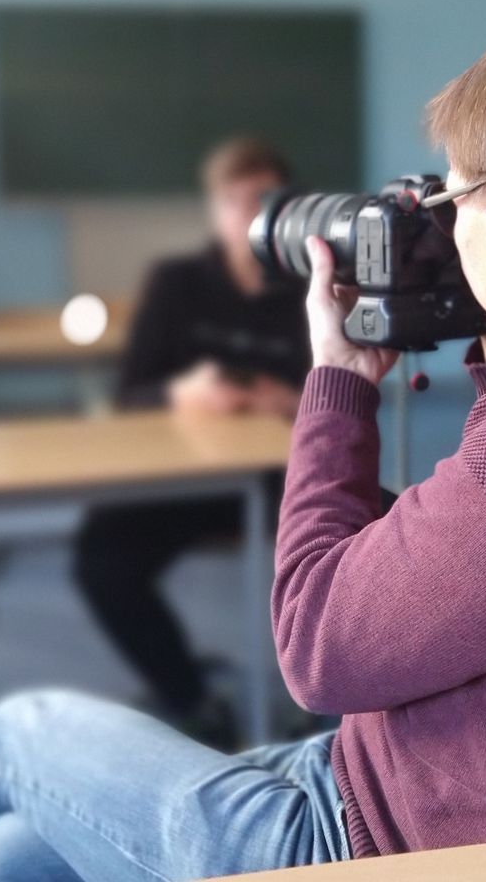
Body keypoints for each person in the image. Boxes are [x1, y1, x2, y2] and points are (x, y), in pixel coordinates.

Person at [0, 9, 486, 880]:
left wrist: (340, 378)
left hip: (384, 839)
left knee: (23, 733)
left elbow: (315, 646)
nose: (445, 228)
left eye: (452, 200)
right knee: (18, 856)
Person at [73, 137, 309, 746]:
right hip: (178, 475)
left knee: (352, 549)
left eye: (263, 199)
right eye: (234, 201)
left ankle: (333, 697)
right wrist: (184, 395)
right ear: (214, 210)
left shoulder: (314, 287)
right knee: (101, 562)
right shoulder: (176, 282)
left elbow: (334, 396)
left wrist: (281, 401)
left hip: (276, 475)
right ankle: (190, 695)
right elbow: (131, 393)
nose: (249, 214)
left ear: (286, 206)